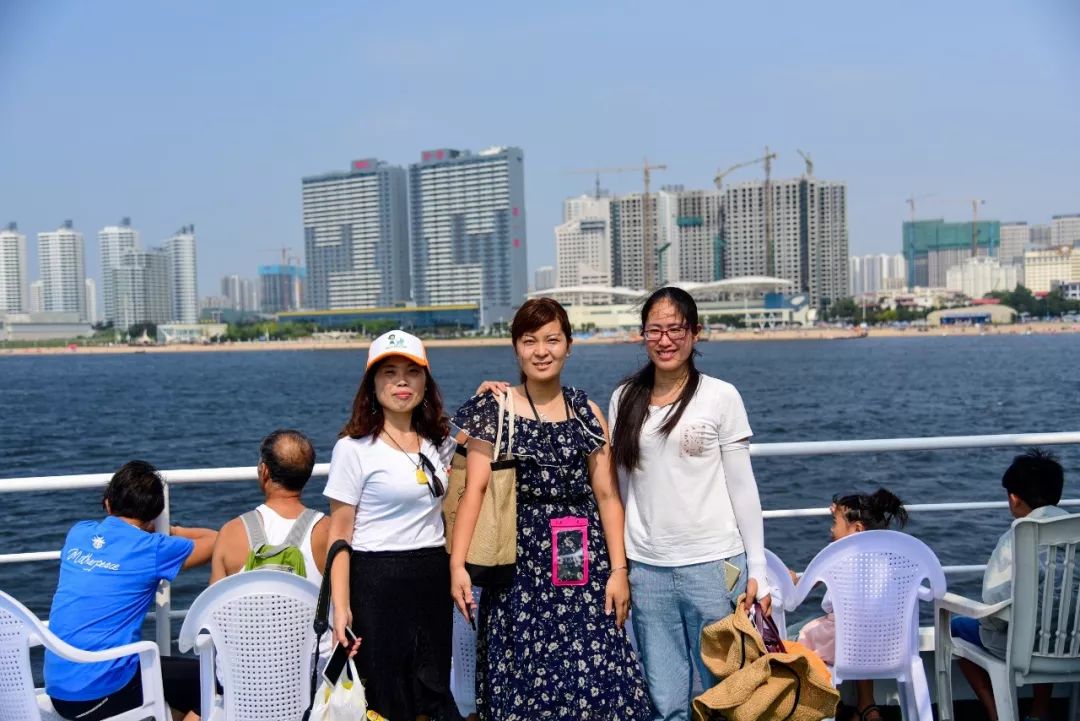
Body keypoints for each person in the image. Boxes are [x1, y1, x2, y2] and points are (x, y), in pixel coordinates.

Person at [450, 297, 652, 721]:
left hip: (585, 567)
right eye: (530, 341)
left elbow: (608, 496)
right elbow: (475, 490)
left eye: (552, 340)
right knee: (524, 683)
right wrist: (458, 567)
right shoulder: (496, 409)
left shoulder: (585, 412)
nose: (541, 351)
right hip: (517, 572)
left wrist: (619, 572)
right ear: (515, 348)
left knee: (600, 679)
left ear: (569, 346)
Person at [608, 286, 768, 721]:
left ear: (696, 333)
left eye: (675, 329)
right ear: (642, 335)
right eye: (654, 330)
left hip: (715, 566)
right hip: (647, 569)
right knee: (665, 699)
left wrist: (760, 570)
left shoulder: (720, 396)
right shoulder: (625, 399)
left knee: (728, 691)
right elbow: (620, 491)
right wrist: (619, 566)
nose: (665, 339)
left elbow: (743, 487)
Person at [325, 330, 457, 721]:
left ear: (425, 383)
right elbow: (339, 534)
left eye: (412, 373)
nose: (401, 381)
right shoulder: (353, 449)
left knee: (430, 691)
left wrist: (488, 391)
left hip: (432, 576)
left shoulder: (438, 440)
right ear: (372, 385)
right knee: (383, 697)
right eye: (389, 373)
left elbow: (477, 436)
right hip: (377, 582)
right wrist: (341, 608)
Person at [45, 460, 218, 721]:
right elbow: (217, 541)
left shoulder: (78, 534)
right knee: (211, 679)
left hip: (58, 690)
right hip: (104, 692)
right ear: (154, 515)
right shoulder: (154, 549)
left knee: (171, 681)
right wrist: (171, 530)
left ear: (107, 503)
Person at [951, 448, 1067, 721]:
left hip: (1024, 648)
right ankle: (1039, 711)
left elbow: (993, 604)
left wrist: (989, 623)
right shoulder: (1074, 529)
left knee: (957, 626)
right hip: (1071, 642)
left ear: (1014, 499)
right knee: (1048, 621)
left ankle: (996, 712)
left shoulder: (1016, 538)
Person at [794, 488, 909, 721]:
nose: (830, 529)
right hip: (890, 643)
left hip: (848, 642)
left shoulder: (836, 557)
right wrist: (842, 513)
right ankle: (867, 707)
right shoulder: (890, 556)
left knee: (803, 639)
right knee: (862, 624)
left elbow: (800, 590)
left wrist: (789, 577)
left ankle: (823, 707)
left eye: (834, 522)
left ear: (857, 529)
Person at [210, 428, 328, 584]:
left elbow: (215, 604)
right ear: (308, 473)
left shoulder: (230, 533)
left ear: (264, 471)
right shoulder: (329, 531)